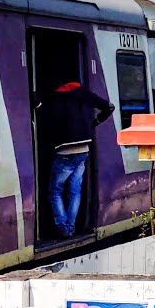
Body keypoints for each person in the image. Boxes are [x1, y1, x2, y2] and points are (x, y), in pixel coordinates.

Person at [36, 80, 114, 239]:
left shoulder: (53, 97)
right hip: (83, 149)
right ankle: (70, 227)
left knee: (55, 191)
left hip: (64, 151)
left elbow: (38, 107)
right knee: (75, 191)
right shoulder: (84, 93)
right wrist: (95, 123)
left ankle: (63, 226)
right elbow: (109, 107)